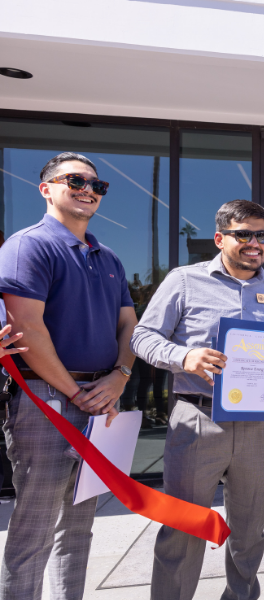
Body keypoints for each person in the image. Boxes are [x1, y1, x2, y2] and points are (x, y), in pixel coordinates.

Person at [131, 200, 264, 600]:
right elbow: (142, 337)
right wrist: (184, 356)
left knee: (249, 531)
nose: (254, 243)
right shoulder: (184, 281)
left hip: (262, 427)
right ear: (219, 238)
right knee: (182, 528)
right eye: (243, 234)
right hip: (199, 421)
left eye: (261, 235)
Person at [0, 152, 138, 599]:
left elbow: (128, 326)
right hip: (45, 400)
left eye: (98, 185)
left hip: (101, 396)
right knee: (34, 530)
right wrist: (74, 391)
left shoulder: (109, 256)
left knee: (78, 529)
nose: (88, 190)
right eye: (75, 180)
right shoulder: (28, 246)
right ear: (46, 188)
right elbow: (26, 329)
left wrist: (119, 376)